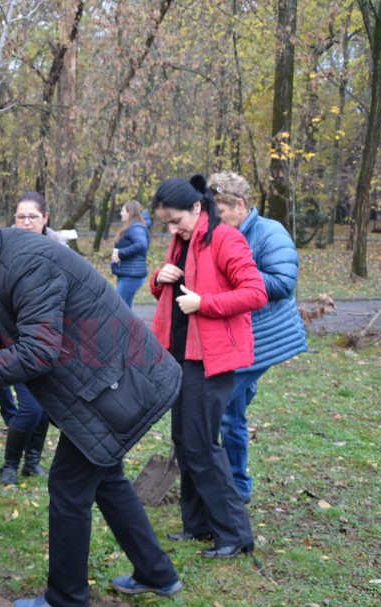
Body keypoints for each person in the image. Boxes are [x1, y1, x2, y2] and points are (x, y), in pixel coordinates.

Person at [0, 203, 183, 607]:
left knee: (68, 486)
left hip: (120, 384)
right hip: (104, 385)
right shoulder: (0, 265)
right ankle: (157, 573)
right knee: (107, 478)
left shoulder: (29, 265)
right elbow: (7, 331)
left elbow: (39, 352)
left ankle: (67, 600)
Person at [149, 175, 267, 558]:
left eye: (175, 220)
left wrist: (206, 304)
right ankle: (196, 524)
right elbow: (173, 290)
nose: (172, 229)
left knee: (202, 444)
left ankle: (234, 533)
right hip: (181, 355)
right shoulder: (182, 241)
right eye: (166, 223)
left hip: (212, 359)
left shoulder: (225, 239)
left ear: (198, 209)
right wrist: (157, 278)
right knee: (184, 441)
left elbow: (255, 292)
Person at [209, 172, 307, 503]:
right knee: (231, 411)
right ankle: (237, 487)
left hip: (263, 338)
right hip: (234, 337)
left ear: (239, 205)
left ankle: (225, 484)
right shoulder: (222, 234)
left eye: (219, 211)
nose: (214, 219)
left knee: (216, 405)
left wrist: (237, 275)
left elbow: (282, 283)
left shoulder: (269, 232)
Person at [0, 190, 69, 484]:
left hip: (53, 343)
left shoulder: (60, 249)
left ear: (45, 218)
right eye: (21, 217)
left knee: (45, 406)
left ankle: (33, 462)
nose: (26, 222)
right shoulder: (4, 250)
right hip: (18, 342)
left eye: (33, 216)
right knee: (30, 407)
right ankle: (9, 466)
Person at [111, 199, 150, 308]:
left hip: (131, 275)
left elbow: (142, 244)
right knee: (123, 308)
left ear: (130, 212)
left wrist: (120, 253)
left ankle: (127, 326)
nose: (121, 213)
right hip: (127, 273)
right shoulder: (132, 226)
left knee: (120, 309)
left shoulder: (136, 227)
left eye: (123, 210)